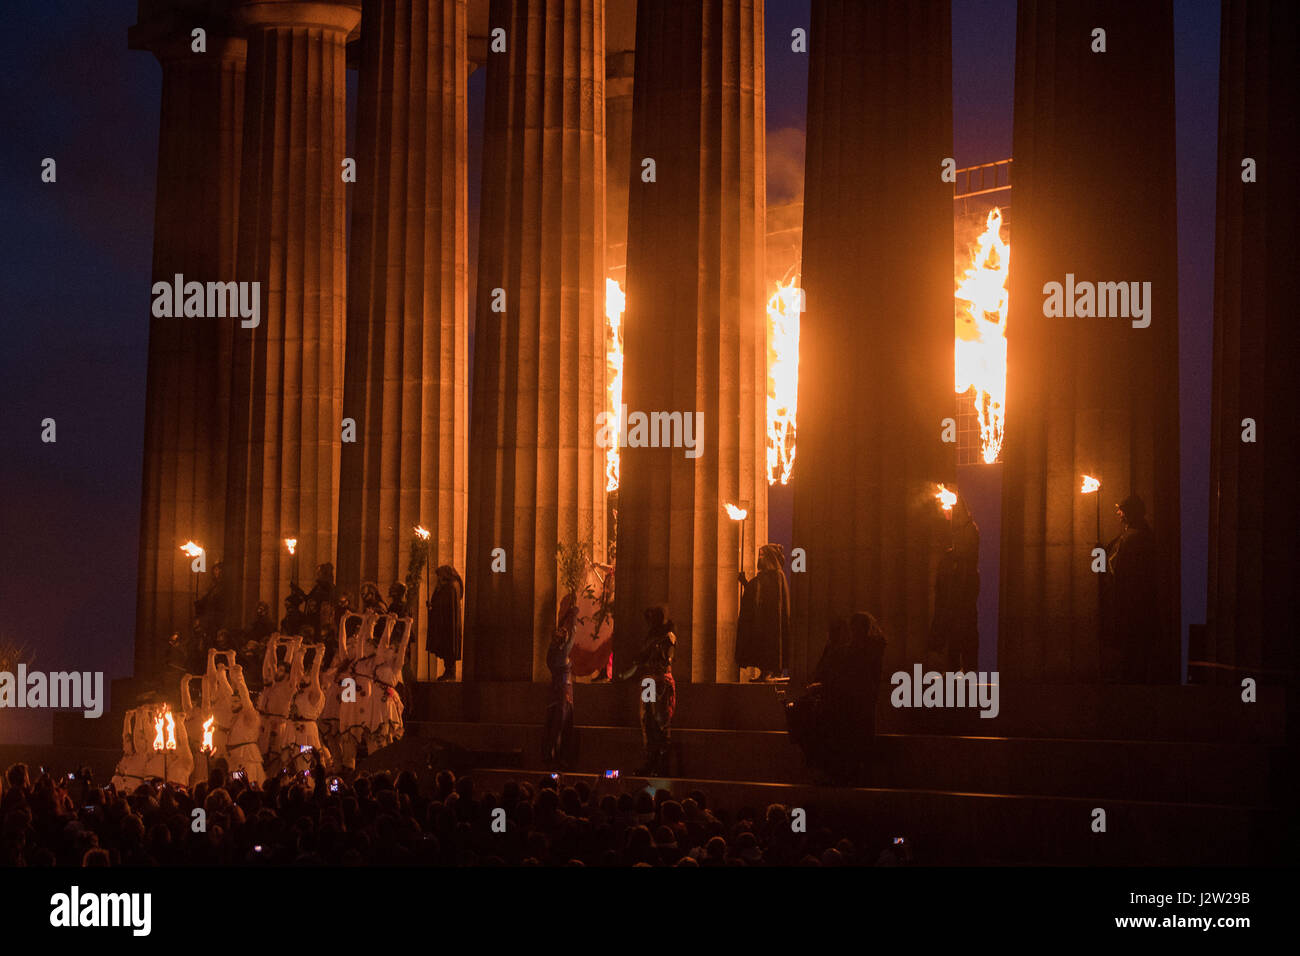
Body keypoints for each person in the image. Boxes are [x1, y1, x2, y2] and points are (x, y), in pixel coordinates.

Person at [788, 612, 887, 785]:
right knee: (804, 713)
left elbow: (851, 684)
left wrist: (822, 687)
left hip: (848, 708)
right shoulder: (852, 652)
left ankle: (823, 767)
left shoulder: (860, 653)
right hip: (844, 704)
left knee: (808, 717)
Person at [1103, 493, 1165, 683]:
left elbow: (1121, 570)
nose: (1118, 514)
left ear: (1131, 513)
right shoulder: (1134, 535)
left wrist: (1103, 556)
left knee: (1133, 655)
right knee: (1134, 655)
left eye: (1121, 510)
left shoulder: (1136, 538)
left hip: (1134, 606)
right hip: (1134, 605)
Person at [618, 607, 677, 776]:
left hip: (661, 681)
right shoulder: (650, 637)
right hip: (649, 681)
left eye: (653, 619)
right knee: (647, 719)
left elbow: (666, 657)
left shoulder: (668, 637)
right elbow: (641, 658)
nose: (650, 622)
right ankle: (650, 760)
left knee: (661, 719)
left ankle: (661, 763)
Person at [929, 496, 980, 672]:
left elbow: (969, 544)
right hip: (952, 610)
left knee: (966, 647)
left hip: (963, 608)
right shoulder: (949, 559)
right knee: (953, 649)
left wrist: (963, 518)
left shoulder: (968, 547)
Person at [736, 544, 792, 681]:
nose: (759, 558)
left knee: (769, 646)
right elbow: (756, 592)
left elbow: (771, 600)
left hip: (771, 622)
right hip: (763, 620)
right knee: (760, 645)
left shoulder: (777, 576)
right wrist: (745, 582)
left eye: (762, 555)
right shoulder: (766, 576)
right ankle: (764, 671)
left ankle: (770, 671)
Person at [279, 643, 328, 774]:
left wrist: (319, 655)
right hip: (293, 731)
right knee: (289, 762)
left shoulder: (316, 694)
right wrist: (299, 655)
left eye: (307, 674)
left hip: (307, 733)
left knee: (305, 761)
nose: (303, 676)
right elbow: (296, 673)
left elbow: (314, 675)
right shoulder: (299, 692)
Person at [543, 605, 579, 768]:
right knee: (560, 725)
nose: (563, 633)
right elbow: (572, 635)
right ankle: (554, 756)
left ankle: (553, 754)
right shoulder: (561, 653)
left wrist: (567, 617)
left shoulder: (552, 653)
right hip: (563, 692)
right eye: (560, 633)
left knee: (557, 724)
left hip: (559, 691)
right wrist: (573, 616)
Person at [225, 664, 265, 787]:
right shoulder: (235, 717)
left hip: (247, 757)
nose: (232, 705)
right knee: (236, 785)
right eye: (232, 702)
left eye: (236, 701)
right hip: (236, 757)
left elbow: (245, 697)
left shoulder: (249, 714)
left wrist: (239, 677)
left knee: (248, 784)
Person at [427, 565, 464, 681]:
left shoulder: (451, 587)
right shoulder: (450, 586)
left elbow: (444, 604)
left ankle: (450, 672)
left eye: (440, 575)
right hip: (447, 623)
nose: (439, 578)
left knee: (448, 648)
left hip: (448, 624)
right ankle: (448, 671)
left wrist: (434, 605)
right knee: (446, 648)